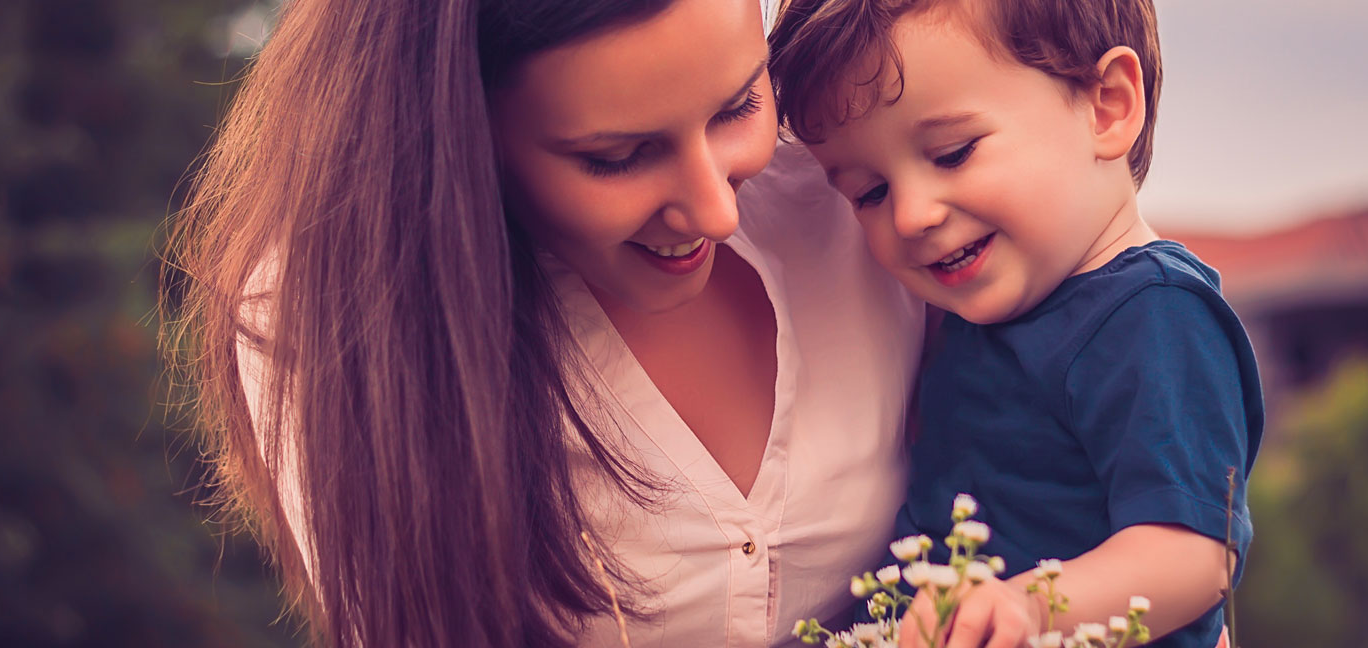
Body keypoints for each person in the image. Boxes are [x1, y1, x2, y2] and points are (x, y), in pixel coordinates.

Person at [164, 0, 924, 645]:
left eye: (738, 106)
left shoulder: (861, 172)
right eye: (619, 156)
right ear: (460, 132)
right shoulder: (331, 323)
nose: (715, 211)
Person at [769, 0, 1262, 646]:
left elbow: (1193, 556)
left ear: (1107, 106)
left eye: (952, 153)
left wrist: (1030, 608)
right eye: (870, 193)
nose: (912, 214)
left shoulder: (1155, 314)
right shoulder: (977, 310)